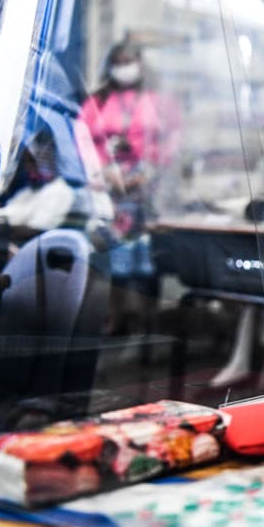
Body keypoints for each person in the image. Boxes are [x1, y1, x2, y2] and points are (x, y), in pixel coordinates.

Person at [78, 38, 181, 332]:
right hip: (109, 192)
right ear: (110, 65)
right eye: (119, 62)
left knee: (150, 259)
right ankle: (115, 317)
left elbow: (172, 139)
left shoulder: (159, 100)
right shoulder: (97, 102)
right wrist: (103, 174)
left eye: (129, 61)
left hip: (148, 190)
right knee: (114, 257)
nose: (125, 68)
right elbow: (85, 142)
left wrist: (149, 171)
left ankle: (150, 319)